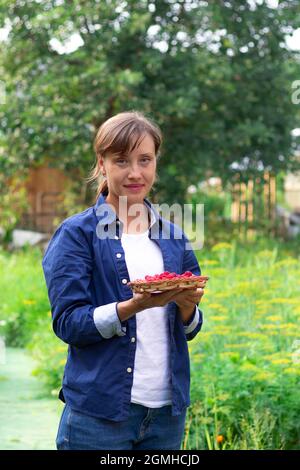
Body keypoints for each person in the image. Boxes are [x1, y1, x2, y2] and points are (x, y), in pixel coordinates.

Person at [42, 110, 205, 450]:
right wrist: (130, 307)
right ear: (102, 163)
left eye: (145, 160)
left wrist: (189, 309)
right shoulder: (77, 234)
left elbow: (188, 329)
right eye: (121, 161)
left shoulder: (173, 236)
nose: (135, 172)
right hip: (98, 416)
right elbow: (68, 324)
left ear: (155, 162)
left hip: (166, 415)